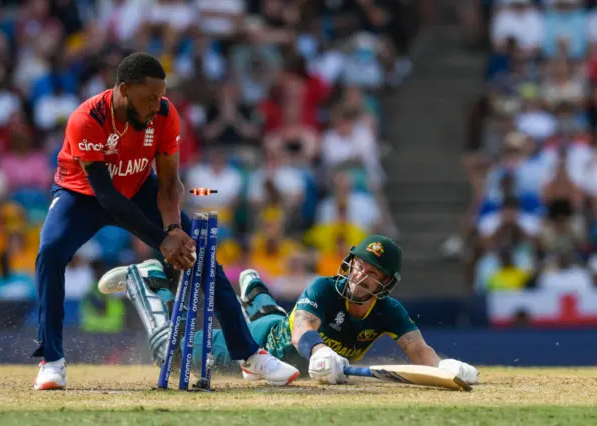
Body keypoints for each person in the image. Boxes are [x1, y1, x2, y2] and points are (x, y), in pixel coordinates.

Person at [32, 52, 299, 390]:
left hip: (142, 188)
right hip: (83, 195)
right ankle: (52, 360)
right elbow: (108, 198)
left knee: (201, 256)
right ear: (124, 89)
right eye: (148, 99)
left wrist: (174, 230)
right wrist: (161, 240)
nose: (155, 106)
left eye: (160, 97)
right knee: (50, 252)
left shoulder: (164, 113)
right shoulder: (87, 119)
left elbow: (170, 182)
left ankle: (249, 355)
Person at [101, 235, 479, 385]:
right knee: (169, 350)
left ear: (386, 283)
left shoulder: (389, 310)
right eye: (360, 263)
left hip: (275, 328)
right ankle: (148, 279)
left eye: (373, 271)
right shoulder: (322, 288)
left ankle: (255, 293)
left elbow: (418, 350)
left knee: (271, 317)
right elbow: (302, 327)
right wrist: (318, 350)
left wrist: (445, 370)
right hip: (257, 345)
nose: (362, 272)